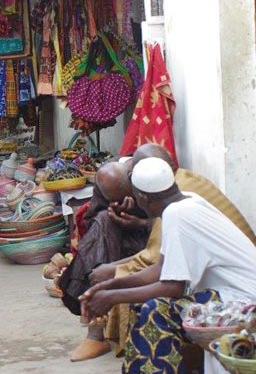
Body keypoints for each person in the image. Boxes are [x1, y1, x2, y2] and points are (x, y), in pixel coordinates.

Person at [80, 157, 256, 373]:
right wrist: (111, 286)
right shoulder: (188, 200)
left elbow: (174, 287)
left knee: (156, 310)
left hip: (242, 302)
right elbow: (160, 270)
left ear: (143, 197)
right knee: (141, 305)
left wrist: (112, 297)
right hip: (231, 294)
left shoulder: (177, 213)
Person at [56, 161, 150, 362]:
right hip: (120, 239)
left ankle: (96, 330)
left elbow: (163, 225)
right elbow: (90, 219)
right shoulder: (107, 179)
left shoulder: (149, 177)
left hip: (150, 240)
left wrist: (140, 219)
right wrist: (114, 211)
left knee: (104, 235)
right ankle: (96, 326)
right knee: (102, 224)